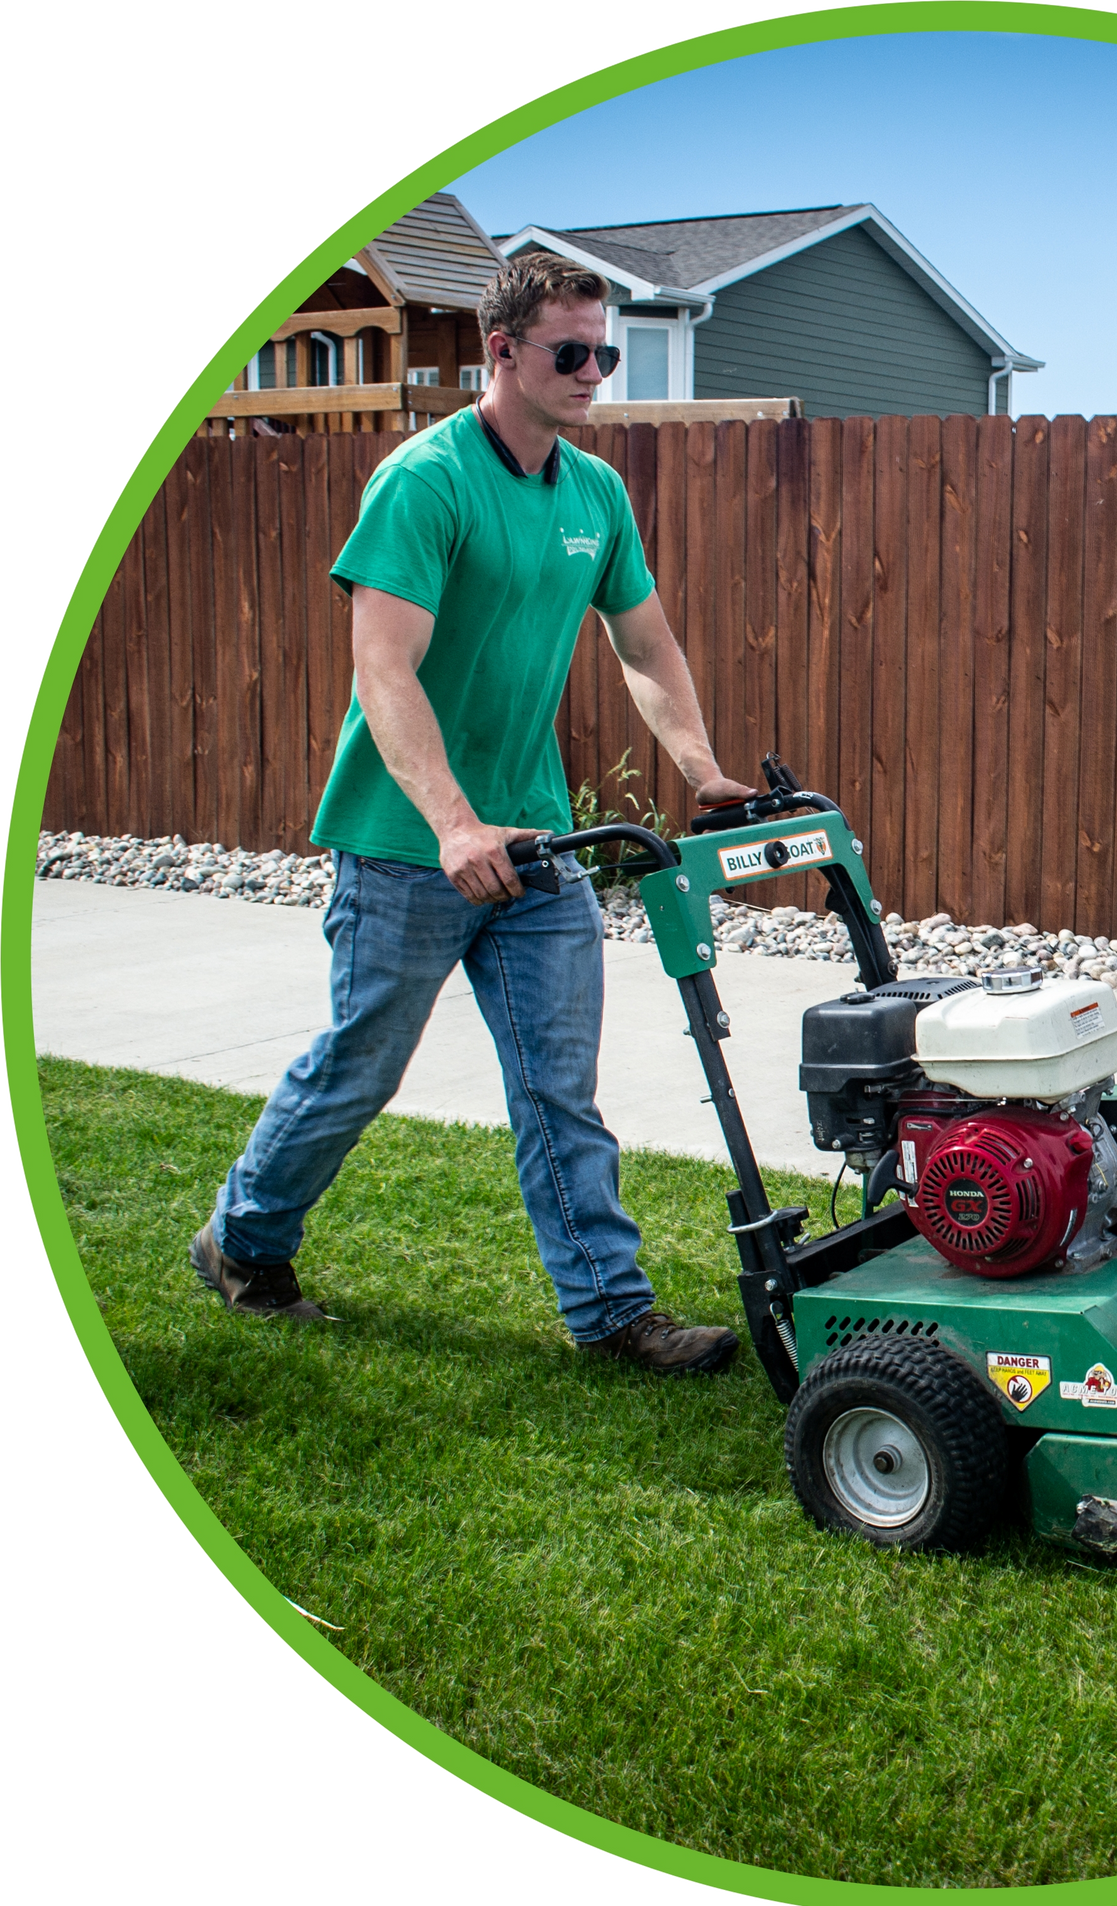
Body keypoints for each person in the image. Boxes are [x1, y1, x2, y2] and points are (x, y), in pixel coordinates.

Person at [190, 252, 755, 1374]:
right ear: (503, 353)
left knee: (560, 1087)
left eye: (606, 351)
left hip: (540, 842)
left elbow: (643, 644)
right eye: (572, 352)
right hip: (408, 846)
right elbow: (383, 673)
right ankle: (245, 1241)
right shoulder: (425, 480)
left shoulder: (594, 491)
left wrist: (701, 767)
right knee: (363, 1063)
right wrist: (454, 825)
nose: (596, 370)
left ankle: (609, 1311)